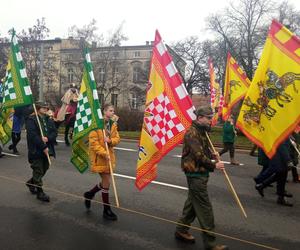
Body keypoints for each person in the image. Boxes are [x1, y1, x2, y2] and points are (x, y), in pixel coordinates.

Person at [175, 106, 228, 250]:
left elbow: (204, 150)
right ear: (200, 118)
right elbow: (198, 155)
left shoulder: (202, 131)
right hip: (195, 173)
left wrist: (213, 155)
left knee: (192, 204)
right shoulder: (192, 133)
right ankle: (210, 244)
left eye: (211, 117)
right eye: (209, 118)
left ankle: (181, 229)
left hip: (201, 172)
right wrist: (214, 164)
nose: (211, 120)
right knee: (205, 209)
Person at [83, 104, 120, 220]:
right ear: (104, 111)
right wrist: (105, 153)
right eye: (110, 110)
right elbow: (93, 143)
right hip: (100, 157)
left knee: (106, 182)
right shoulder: (96, 125)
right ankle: (106, 209)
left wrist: (110, 140)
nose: (112, 112)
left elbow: (117, 138)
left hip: (109, 157)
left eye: (113, 111)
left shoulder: (113, 124)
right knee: (107, 181)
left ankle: (89, 194)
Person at [25, 102, 57, 202]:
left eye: (47, 107)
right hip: (37, 149)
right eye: (44, 107)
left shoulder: (48, 119)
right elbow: (32, 135)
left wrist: (48, 138)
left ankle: (31, 182)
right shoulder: (32, 120)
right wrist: (42, 145)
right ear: (38, 108)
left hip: (48, 148)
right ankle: (40, 192)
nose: (46, 109)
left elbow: (54, 132)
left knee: (45, 167)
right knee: (38, 169)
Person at [254, 140, 293, 206]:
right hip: (281, 160)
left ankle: (262, 185)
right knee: (281, 178)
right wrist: (288, 160)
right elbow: (282, 148)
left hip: (279, 158)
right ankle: (280, 197)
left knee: (279, 177)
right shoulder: (283, 133)